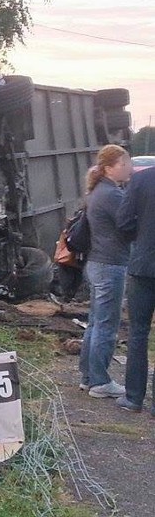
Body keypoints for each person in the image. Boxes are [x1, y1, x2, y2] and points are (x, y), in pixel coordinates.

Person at [79, 145, 133, 398]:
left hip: (98, 263)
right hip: (110, 264)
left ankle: (88, 376)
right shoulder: (112, 195)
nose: (129, 168)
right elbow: (130, 225)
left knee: (95, 323)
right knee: (106, 325)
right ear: (110, 168)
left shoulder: (97, 192)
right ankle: (100, 382)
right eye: (125, 164)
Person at [115, 161, 155, 414]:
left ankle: (134, 398)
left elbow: (123, 222)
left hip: (144, 265)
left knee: (138, 333)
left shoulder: (142, 180)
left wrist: (141, 238)